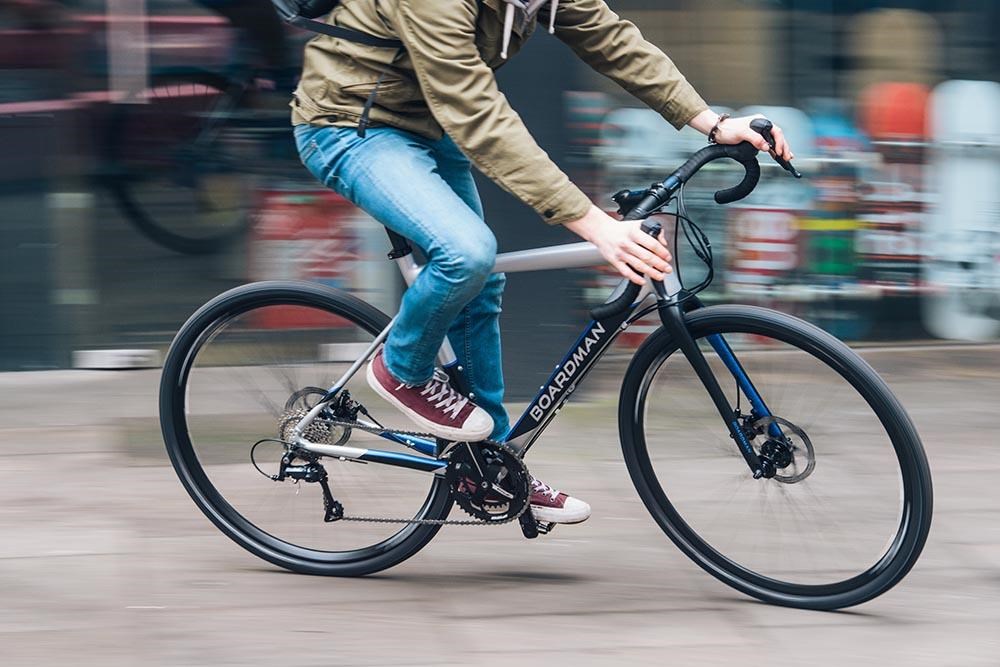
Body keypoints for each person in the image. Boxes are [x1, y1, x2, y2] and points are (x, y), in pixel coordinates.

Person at [292, 0, 794, 525]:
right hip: (352, 125)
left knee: (482, 283)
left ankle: (490, 466)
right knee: (466, 254)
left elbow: (611, 39)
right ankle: (403, 369)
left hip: (432, 124)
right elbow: (479, 116)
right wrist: (594, 224)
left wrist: (713, 123)